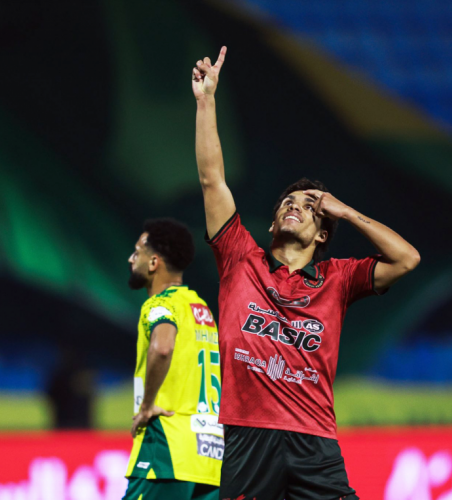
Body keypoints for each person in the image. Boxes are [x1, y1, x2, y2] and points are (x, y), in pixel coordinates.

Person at [192, 47, 421, 500]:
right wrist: (206, 102)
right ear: (272, 224)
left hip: (313, 442)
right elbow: (212, 180)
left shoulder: (338, 279)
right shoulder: (240, 258)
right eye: (288, 203)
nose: (295, 206)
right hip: (247, 438)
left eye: (309, 207)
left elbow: (406, 259)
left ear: (322, 234)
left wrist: (346, 212)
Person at [123, 218, 222, 500]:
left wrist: (146, 406)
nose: (131, 259)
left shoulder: (160, 304)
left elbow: (163, 346)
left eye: (137, 252)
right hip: (209, 458)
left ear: (154, 262)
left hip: (167, 449)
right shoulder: (201, 310)